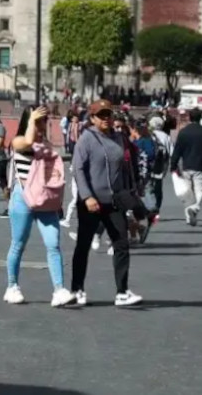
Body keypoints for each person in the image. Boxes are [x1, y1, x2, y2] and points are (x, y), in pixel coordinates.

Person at [69, 100, 142, 307]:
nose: (106, 118)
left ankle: (122, 292)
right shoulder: (86, 139)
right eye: (101, 115)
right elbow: (78, 169)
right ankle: (77, 289)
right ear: (92, 118)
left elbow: (126, 168)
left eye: (108, 114)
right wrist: (87, 196)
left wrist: (132, 194)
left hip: (115, 201)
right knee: (83, 246)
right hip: (92, 202)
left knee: (121, 244)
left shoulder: (119, 138)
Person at [3, 105, 75, 307]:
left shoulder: (47, 144)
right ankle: (12, 286)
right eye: (38, 120)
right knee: (18, 243)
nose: (42, 124)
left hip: (45, 199)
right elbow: (26, 142)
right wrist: (32, 121)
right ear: (29, 121)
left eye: (44, 120)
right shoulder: (18, 141)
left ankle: (59, 289)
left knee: (53, 244)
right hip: (23, 197)